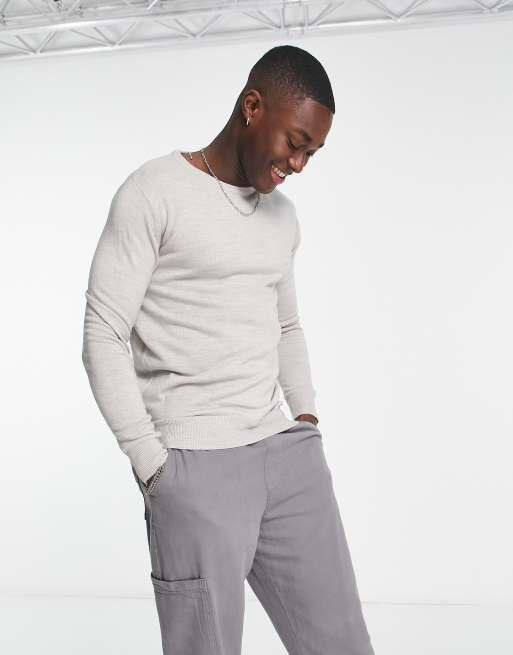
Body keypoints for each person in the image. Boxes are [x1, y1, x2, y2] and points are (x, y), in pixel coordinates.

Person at [82, 44, 375, 655]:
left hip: (287, 457)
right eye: (295, 143)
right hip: (194, 467)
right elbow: (103, 332)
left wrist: (305, 417)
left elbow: (286, 325)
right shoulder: (153, 191)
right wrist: (152, 465)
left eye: (312, 153)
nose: (299, 164)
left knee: (343, 644)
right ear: (252, 106)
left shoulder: (283, 217)